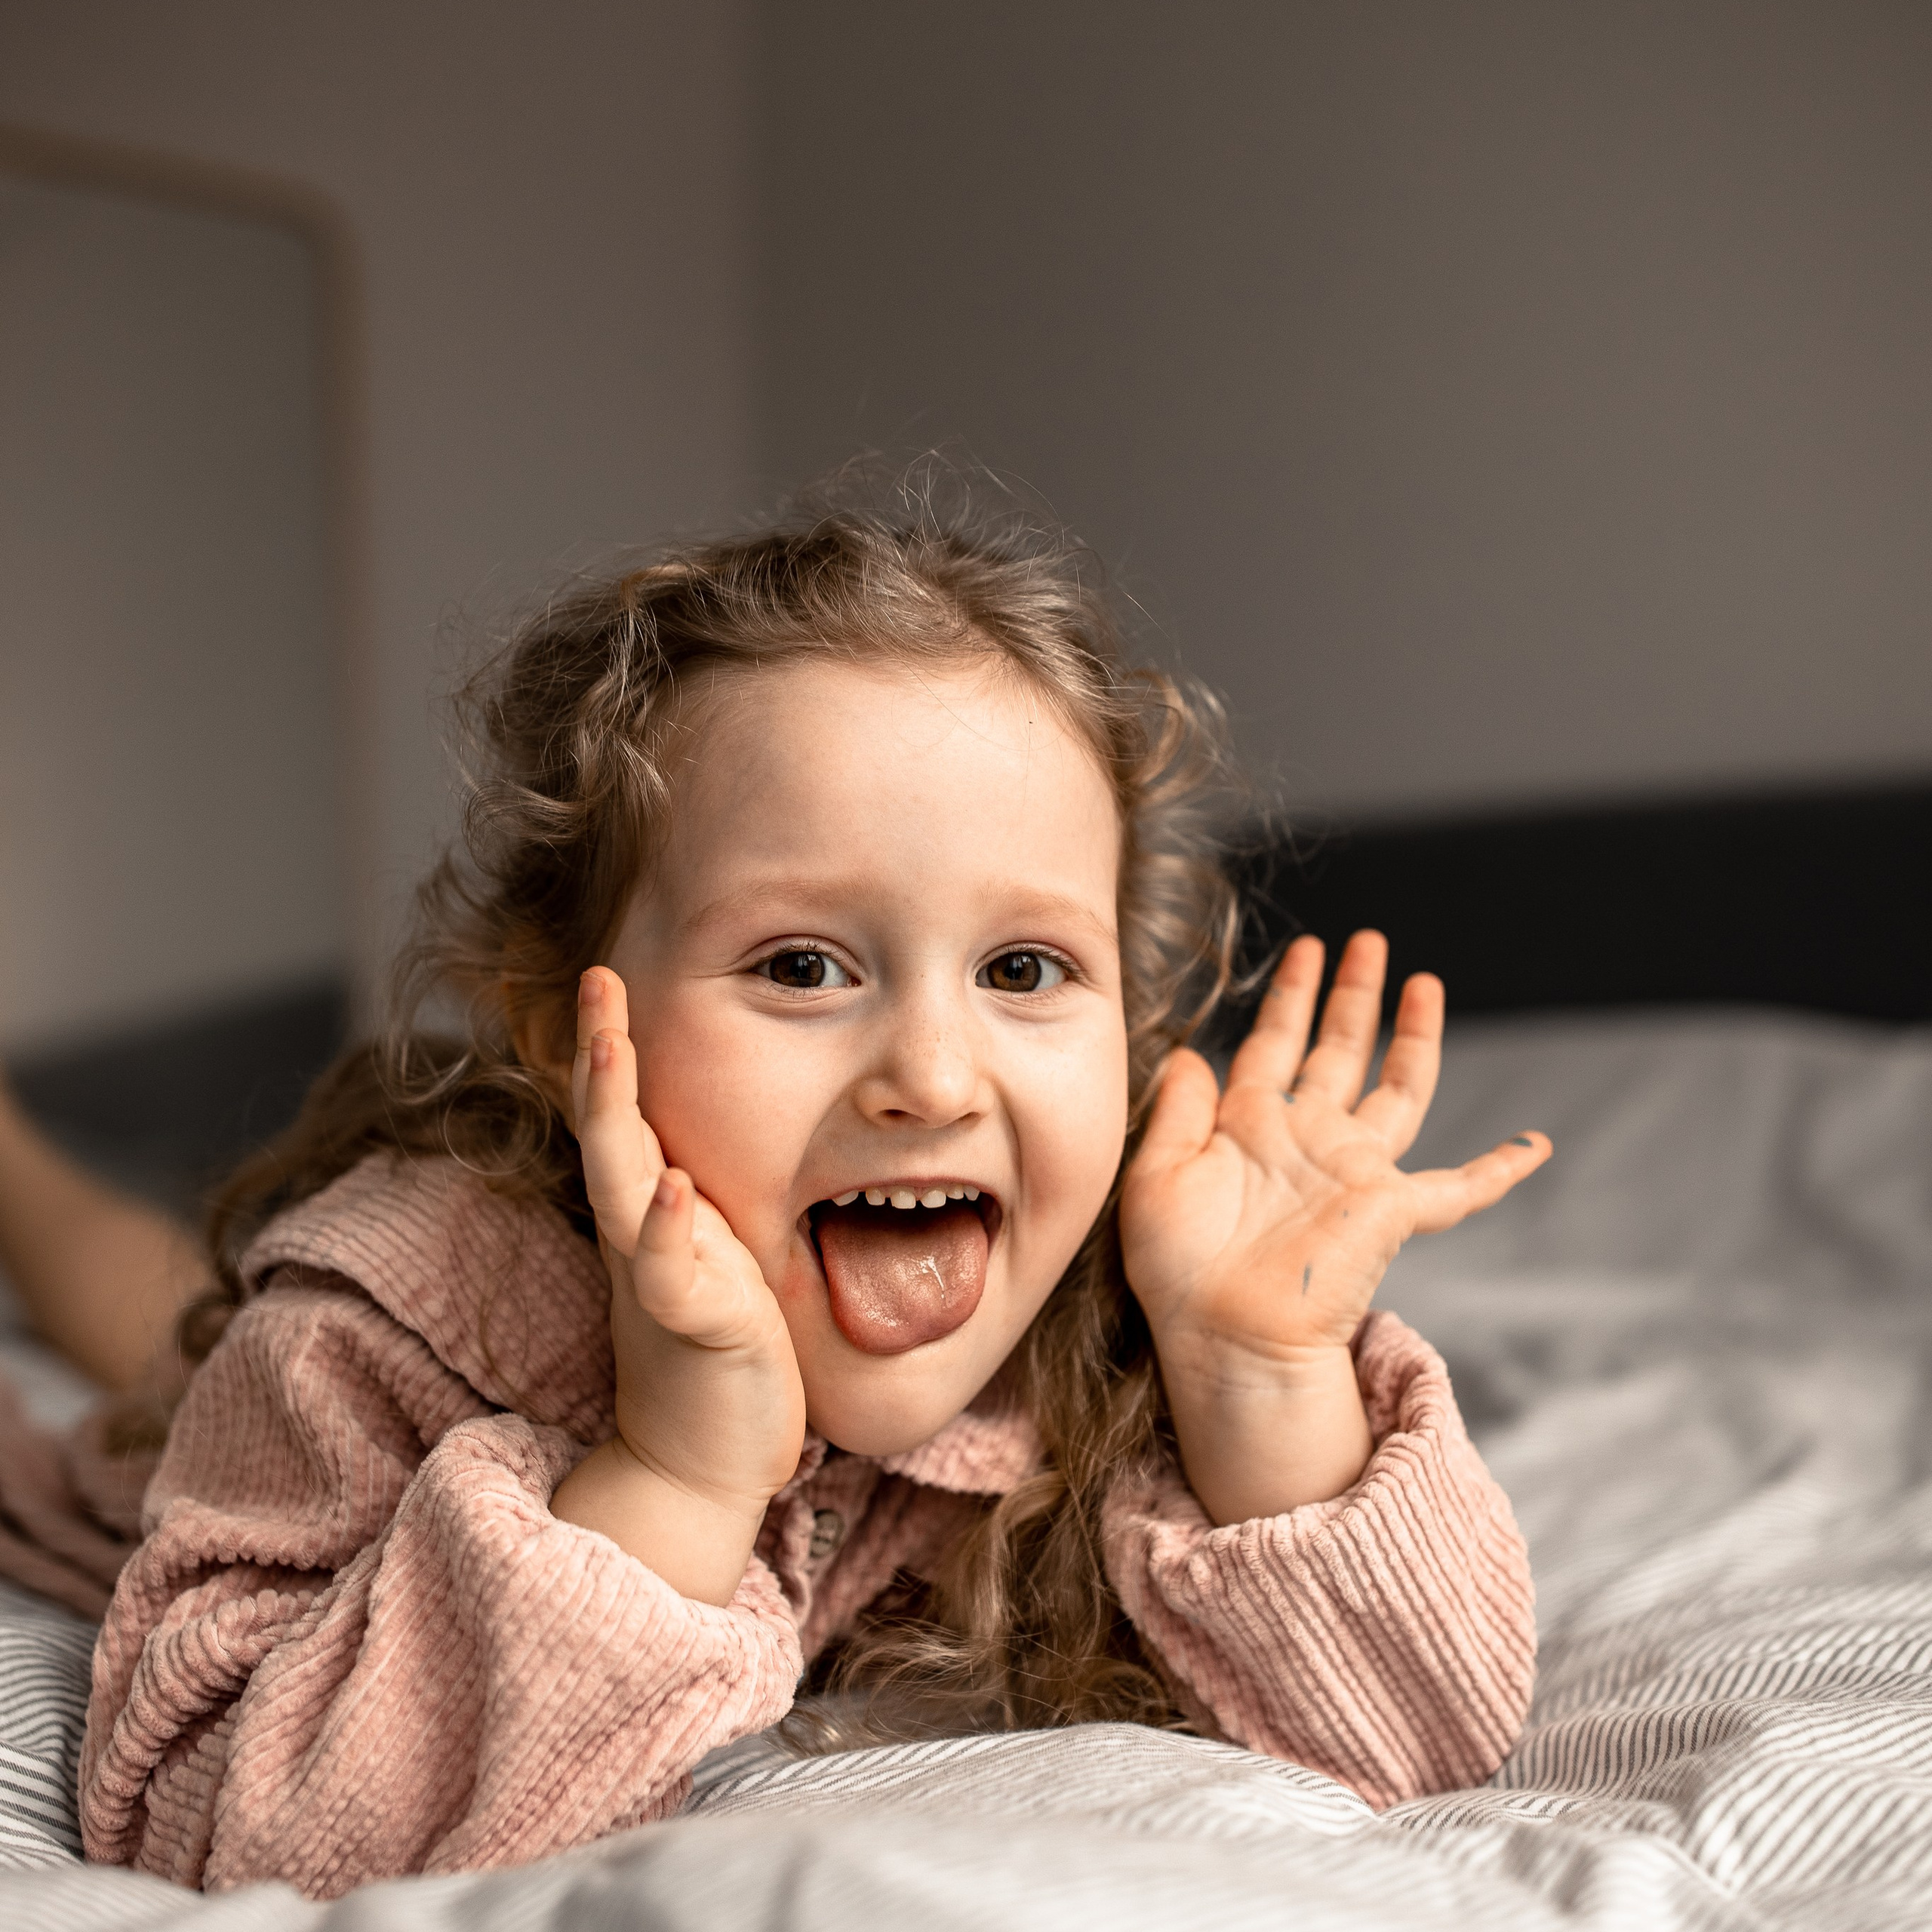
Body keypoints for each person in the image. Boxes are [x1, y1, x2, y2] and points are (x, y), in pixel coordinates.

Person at [12, 478, 1550, 1897]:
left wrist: (1254, 1374)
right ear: (562, 1021)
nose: (935, 1076)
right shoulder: (393, 1313)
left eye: (1024, 968)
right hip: (290, 1381)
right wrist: (671, 1477)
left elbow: (1420, 1730)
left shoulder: (1140, 1297)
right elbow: (238, 1829)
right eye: (801, 965)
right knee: (156, 1354)